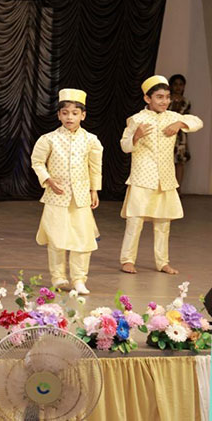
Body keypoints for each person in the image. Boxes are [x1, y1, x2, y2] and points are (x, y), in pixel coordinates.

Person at [119, 75, 203, 275]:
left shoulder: (172, 117)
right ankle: (127, 260)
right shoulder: (137, 119)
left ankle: (162, 262)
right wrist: (136, 136)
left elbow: (197, 122)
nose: (164, 101)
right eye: (159, 97)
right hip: (142, 178)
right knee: (135, 221)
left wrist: (180, 124)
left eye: (166, 97)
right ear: (147, 99)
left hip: (165, 178)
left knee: (163, 223)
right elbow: (124, 146)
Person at [31, 89, 102, 295]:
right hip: (56, 196)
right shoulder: (49, 139)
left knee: (83, 239)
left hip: (81, 197)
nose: (69, 117)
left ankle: (79, 279)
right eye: (65, 113)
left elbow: (95, 167)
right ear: (59, 115)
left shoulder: (91, 140)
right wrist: (47, 179)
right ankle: (58, 278)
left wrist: (94, 190)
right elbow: (37, 162)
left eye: (74, 113)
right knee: (56, 238)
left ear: (83, 115)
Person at [168, 74, 192, 191]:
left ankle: (178, 189)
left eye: (181, 84)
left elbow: (187, 120)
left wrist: (186, 142)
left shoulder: (186, 102)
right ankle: (168, 189)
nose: (178, 87)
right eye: (175, 84)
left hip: (181, 135)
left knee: (180, 162)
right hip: (167, 133)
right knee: (167, 161)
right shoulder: (166, 100)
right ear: (171, 86)